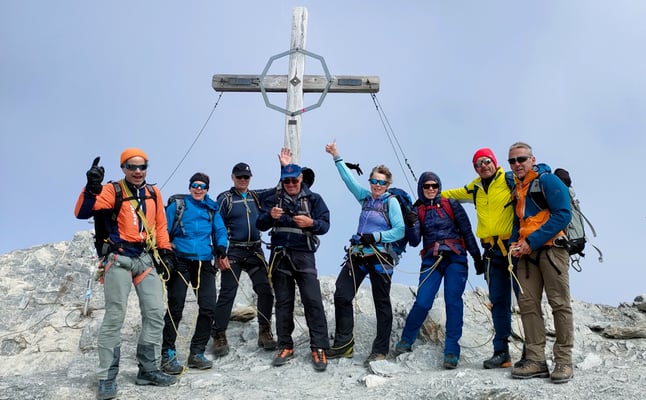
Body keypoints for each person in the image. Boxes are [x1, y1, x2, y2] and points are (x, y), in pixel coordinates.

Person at [74, 148, 177, 400]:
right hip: (118, 258)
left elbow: (160, 225)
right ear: (123, 168)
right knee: (115, 315)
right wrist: (91, 188)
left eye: (143, 167)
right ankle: (107, 377)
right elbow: (82, 212)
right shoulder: (113, 190)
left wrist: (165, 251)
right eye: (132, 167)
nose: (138, 171)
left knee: (155, 312)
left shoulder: (153, 193)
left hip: (145, 258)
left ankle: (148, 370)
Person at [324, 142, 405, 366]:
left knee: (381, 303)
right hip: (359, 254)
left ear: (388, 185)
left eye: (381, 182)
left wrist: (376, 237)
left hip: (380, 257)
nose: (377, 185)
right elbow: (349, 181)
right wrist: (336, 156)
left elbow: (400, 230)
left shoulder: (391, 202)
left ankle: (380, 350)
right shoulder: (366, 198)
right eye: (374, 181)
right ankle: (343, 345)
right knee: (342, 295)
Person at [394, 171, 483, 369]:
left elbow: (467, 232)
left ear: (439, 186)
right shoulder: (417, 210)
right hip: (431, 260)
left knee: (453, 301)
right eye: (427, 186)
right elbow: (414, 241)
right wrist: (411, 223)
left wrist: (477, 258)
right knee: (422, 302)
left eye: (434, 185)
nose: (431, 189)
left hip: (455, 258)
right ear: (421, 188)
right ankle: (406, 340)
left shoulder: (451, 204)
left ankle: (451, 351)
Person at [442, 148, 519, 369]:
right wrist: (430, 193)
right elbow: (450, 194)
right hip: (492, 253)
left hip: (514, 249)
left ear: (494, 162)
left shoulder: (509, 179)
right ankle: (501, 352)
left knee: (526, 300)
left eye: (486, 161)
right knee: (498, 303)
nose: (483, 166)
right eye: (478, 164)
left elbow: (531, 182)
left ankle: (532, 352)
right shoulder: (474, 187)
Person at [507, 142, 574, 383]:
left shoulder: (548, 180)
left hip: (552, 250)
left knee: (559, 303)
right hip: (527, 254)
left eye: (521, 159)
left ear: (532, 159)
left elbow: (563, 214)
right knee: (527, 305)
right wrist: (514, 243)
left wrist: (531, 241)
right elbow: (520, 221)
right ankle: (536, 360)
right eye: (512, 161)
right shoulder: (518, 187)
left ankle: (564, 361)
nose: (517, 164)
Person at [256, 161, 331, 372]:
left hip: (304, 255)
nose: (290, 184)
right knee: (283, 303)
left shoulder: (315, 199)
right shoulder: (274, 199)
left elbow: (325, 225)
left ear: (301, 179)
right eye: (286, 181)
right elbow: (260, 224)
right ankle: (285, 346)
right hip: (280, 256)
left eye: (294, 180)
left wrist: (311, 223)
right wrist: (269, 216)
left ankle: (319, 347)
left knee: (313, 301)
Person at [160, 172, 229, 374]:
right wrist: (165, 251)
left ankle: (197, 353)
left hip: (204, 262)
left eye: (202, 186)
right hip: (180, 261)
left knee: (208, 307)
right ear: (190, 187)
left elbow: (220, 231)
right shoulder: (178, 205)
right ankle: (168, 353)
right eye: (195, 185)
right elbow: (163, 227)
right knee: (176, 306)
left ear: (207, 189)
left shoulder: (212, 208)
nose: (198, 189)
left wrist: (221, 247)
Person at [210, 162, 280, 356]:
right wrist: (219, 253)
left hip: (254, 250)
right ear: (232, 177)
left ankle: (264, 331)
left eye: (246, 177)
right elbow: (216, 226)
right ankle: (218, 334)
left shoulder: (256, 196)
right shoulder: (225, 199)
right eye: (239, 176)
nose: (243, 180)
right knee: (228, 291)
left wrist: (284, 166)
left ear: (250, 178)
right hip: (233, 250)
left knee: (265, 290)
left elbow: (278, 189)